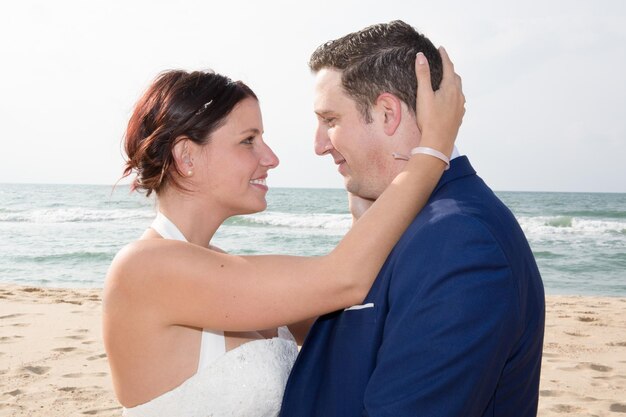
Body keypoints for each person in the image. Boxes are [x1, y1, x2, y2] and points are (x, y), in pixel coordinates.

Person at [103, 48, 465, 417]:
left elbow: (341, 341)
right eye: (248, 140)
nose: (271, 157)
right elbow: (344, 279)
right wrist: (432, 149)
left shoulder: (225, 269)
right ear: (187, 157)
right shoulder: (144, 268)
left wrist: (361, 219)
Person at [280, 20, 545, 417]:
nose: (318, 146)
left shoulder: (460, 240)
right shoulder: (411, 222)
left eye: (330, 120)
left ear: (388, 113)